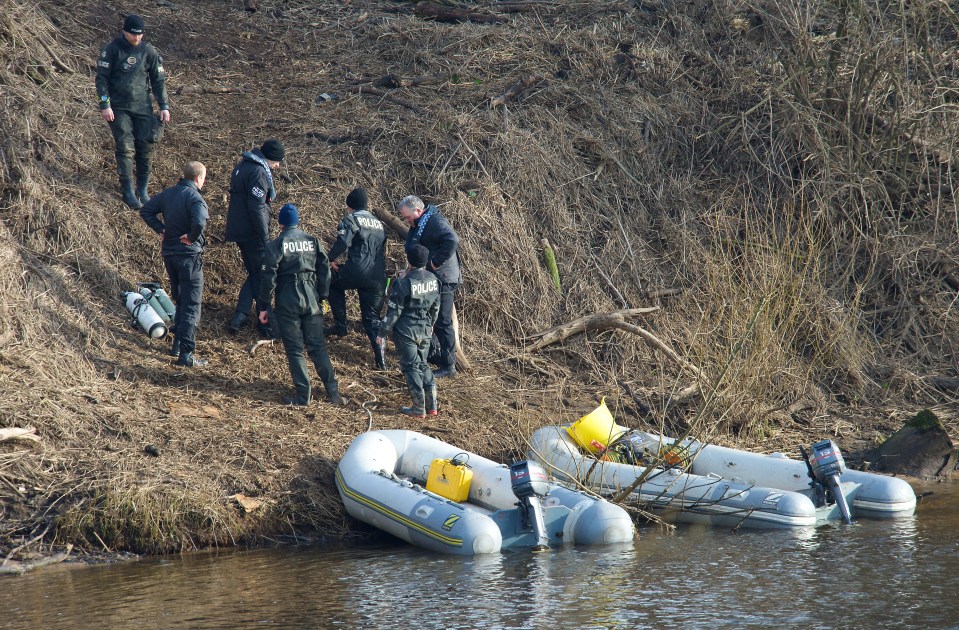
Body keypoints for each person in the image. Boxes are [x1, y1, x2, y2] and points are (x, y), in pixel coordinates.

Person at [259, 203, 344, 406]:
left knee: (295, 349)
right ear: (297, 221)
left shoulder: (276, 244)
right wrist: (322, 294)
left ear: (281, 224)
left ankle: (303, 396)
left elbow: (268, 277)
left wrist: (264, 305)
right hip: (312, 296)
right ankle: (333, 393)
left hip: (288, 298)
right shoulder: (312, 241)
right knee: (317, 346)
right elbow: (324, 268)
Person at [96, 13, 170, 210]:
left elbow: (158, 80)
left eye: (139, 35)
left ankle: (143, 189)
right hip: (119, 107)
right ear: (124, 31)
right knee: (126, 147)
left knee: (146, 146)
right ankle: (128, 191)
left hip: (142, 105)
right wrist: (105, 105)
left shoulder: (149, 52)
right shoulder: (111, 50)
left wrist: (164, 106)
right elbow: (101, 79)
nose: (136, 38)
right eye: (132, 34)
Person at [139, 161, 209, 367]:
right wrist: (192, 236)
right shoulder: (195, 198)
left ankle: (177, 344)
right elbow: (199, 223)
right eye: (203, 178)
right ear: (198, 178)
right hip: (189, 257)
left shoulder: (168, 194)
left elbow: (146, 211)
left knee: (180, 299)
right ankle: (186, 355)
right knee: (191, 305)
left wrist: (161, 229)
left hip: (170, 255)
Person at [224, 138, 286, 338]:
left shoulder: (244, 165)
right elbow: (257, 207)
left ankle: (240, 315)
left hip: (239, 229)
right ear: (270, 158)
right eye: (277, 161)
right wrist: (265, 237)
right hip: (252, 232)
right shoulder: (259, 172)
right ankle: (264, 323)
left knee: (254, 272)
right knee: (262, 274)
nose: (278, 166)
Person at [397, 195, 461, 378]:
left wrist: (434, 264)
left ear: (418, 210)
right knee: (429, 315)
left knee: (443, 320)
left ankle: (449, 366)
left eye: (407, 216)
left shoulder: (434, 221)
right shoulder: (420, 224)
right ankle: (435, 354)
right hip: (433, 277)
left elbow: (452, 240)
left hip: (444, 277)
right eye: (403, 218)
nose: (406, 220)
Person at [325, 188, 388, 369]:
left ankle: (340, 325)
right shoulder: (378, 223)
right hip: (377, 276)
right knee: (372, 319)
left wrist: (328, 260)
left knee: (332, 280)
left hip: (356, 271)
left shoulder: (351, 219)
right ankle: (381, 362)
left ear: (349, 206)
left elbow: (343, 242)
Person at [376, 245, 440, 418]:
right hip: (425, 328)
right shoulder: (433, 279)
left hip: (406, 331)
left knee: (411, 366)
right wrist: (431, 324)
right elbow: (436, 306)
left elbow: (394, 311)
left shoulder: (404, 282)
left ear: (409, 260)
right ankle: (432, 405)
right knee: (423, 363)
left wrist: (382, 332)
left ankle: (418, 408)